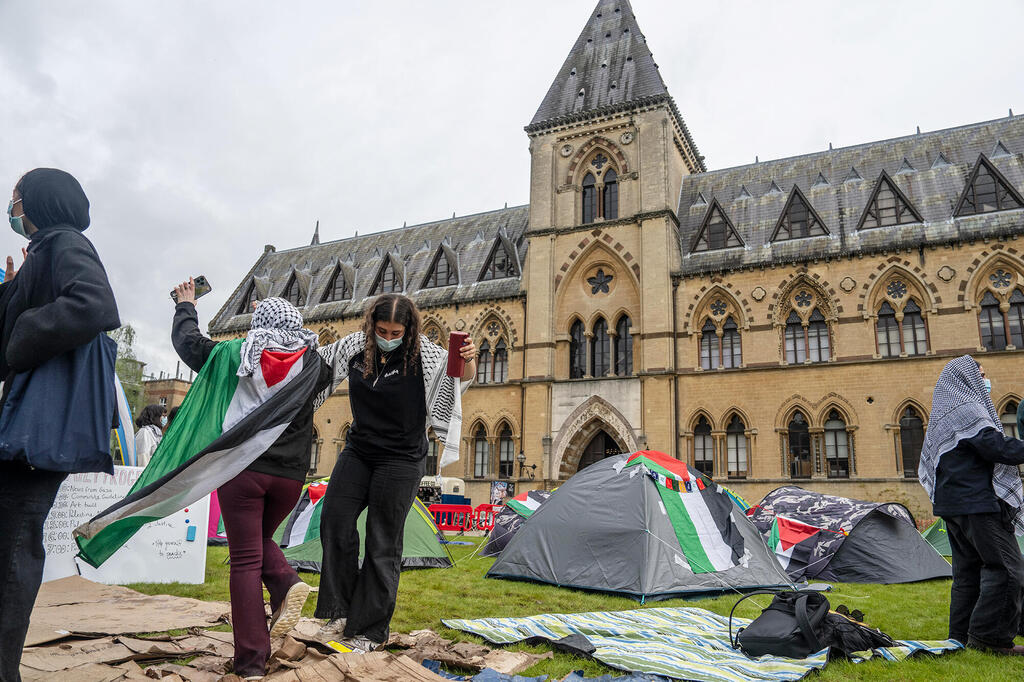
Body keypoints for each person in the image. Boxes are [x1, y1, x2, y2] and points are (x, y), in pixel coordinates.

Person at [171, 281, 332, 679]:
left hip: (242, 471)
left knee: (244, 561)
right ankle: (285, 582)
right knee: (259, 542)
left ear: (258, 325)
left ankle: (251, 662)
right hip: (289, 480)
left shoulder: (235, 355)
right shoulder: (314, 365)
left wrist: (187, 306)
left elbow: (190, 344)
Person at [0, 169, 120, 682]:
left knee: (13, 549)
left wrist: (24, 330)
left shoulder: (67, 243)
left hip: (39, 434)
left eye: (17, 200)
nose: (12, 210)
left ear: (40, 204)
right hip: (28, 430)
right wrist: (12, 292)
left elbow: (93, 304)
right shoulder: (45, 250)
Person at [314, 293, 476, 651]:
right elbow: (317, 363)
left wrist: (467, 361)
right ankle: (341, 612)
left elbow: (459, 379)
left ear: (409, 329)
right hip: (359, 449)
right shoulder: (356, 346)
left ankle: (370, 630)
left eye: (396, 330)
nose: (388, 335)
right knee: (334, 521)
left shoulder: (426, 355)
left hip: (401, 457)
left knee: (382, 538)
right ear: (372, 325)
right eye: (382, 329)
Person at [919, 356, 1024, 655]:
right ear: (965, 378)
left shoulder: (944, 413)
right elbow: (996, 447)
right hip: (976, 504)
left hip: (952, 505)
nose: (985, 379)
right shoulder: (966, 410)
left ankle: (960, 637)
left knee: (967, 574)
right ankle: (990, 640)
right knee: (1007, 570)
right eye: (981, 374)